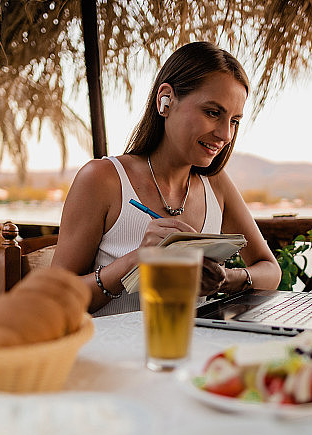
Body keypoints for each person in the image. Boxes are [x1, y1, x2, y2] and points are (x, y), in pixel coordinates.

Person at [52, 41, 281, 316]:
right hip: (110, 355)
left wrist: (224, 278)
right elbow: (55, 299)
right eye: (212, 112)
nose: (225, 135)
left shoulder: (216, 185)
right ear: (166, 100)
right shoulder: (103, 179)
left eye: (234, 120)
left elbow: (270, 269)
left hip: (192, 352)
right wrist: (135, 262)